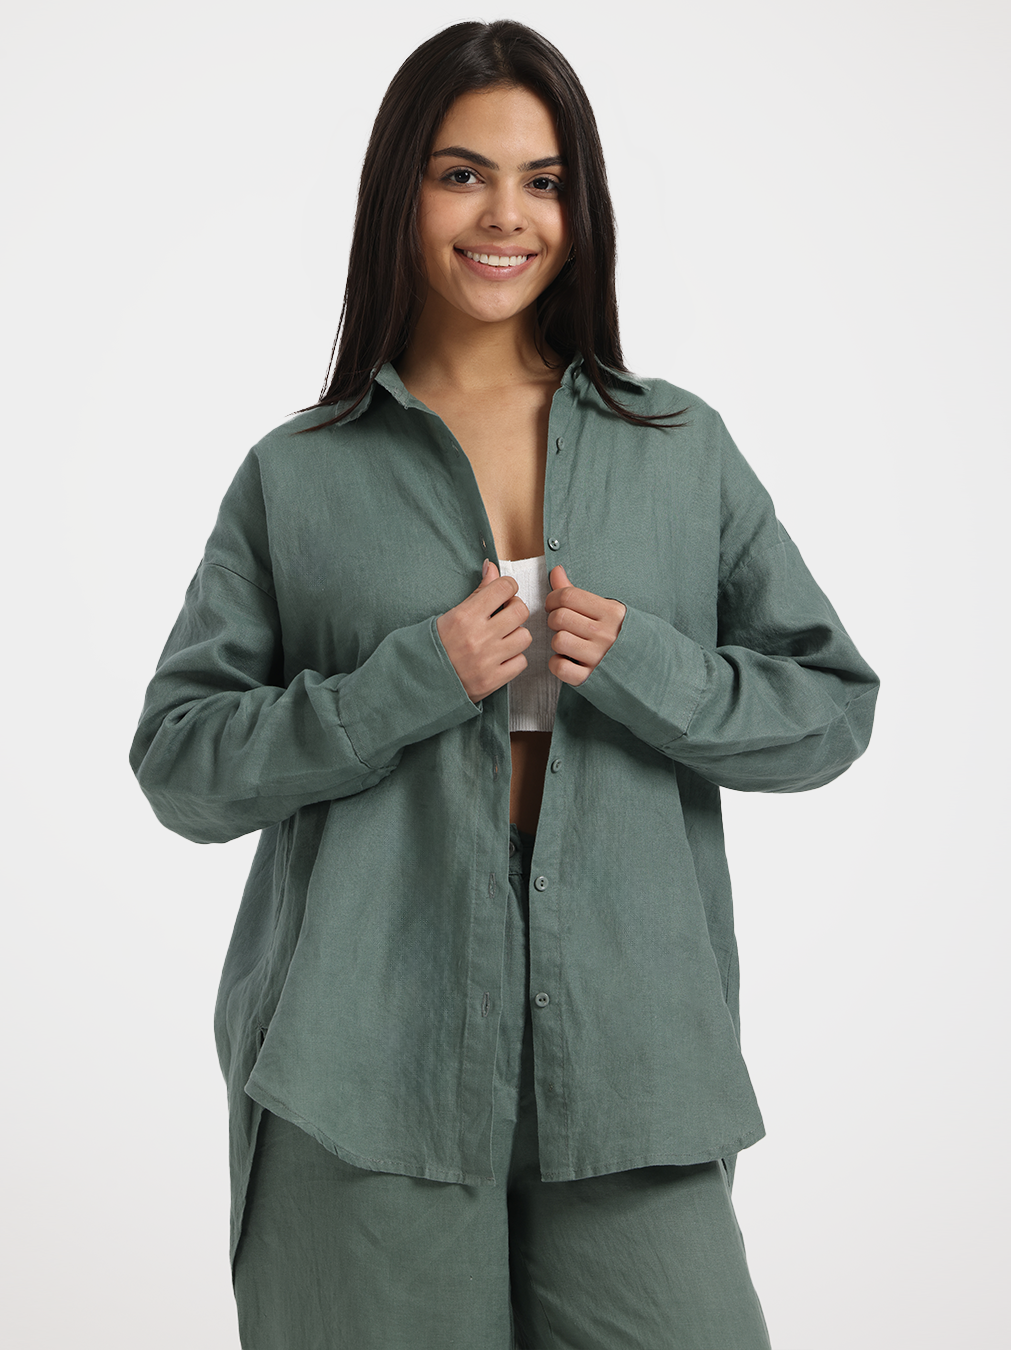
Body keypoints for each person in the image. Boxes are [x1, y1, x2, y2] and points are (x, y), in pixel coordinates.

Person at [130, 19, 878, 1350]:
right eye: (461, 174)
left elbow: (829, 705)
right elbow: (182, 763)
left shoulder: (679, 446)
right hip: (362, 1066)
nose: (505, 217)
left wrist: (644, 663)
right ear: (400, 192)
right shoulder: (298, 473)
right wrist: (402, 685)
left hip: (631, 1063)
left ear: (581, 210)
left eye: (543, 181)